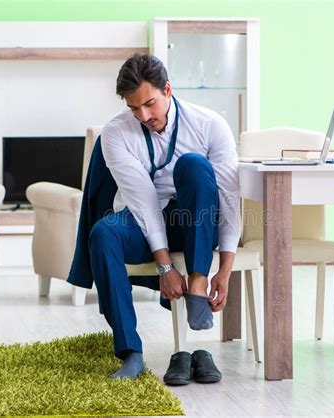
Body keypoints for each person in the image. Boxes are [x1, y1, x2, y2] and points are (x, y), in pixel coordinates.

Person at [88, 53, 241, 385]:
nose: (143, 115)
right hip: (145, 223)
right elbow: (142, 201)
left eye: (150, 104)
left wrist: (224, 272)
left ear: (168, 90)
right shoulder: (116, 134)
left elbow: (229, 201)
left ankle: (197, 283)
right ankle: (131, 353)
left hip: (195, 222)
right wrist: (165, 267)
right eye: (134, 109)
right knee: (103, 233)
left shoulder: (209, 124)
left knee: (194, 165)